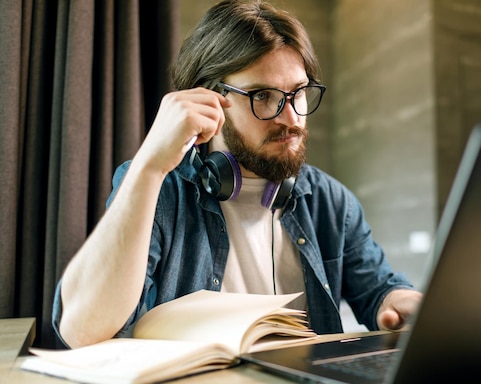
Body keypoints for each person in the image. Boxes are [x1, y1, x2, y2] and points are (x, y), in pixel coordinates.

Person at [53, 0, 421, 348]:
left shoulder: (330, 200)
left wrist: (404, 302)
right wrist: (149, 166)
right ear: (208, 98)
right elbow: (81, 330)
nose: (291, 118)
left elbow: (379, 291)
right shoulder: (158, 187)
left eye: (298, 93)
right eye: (263, 95)